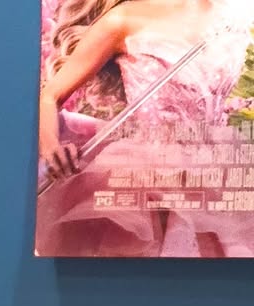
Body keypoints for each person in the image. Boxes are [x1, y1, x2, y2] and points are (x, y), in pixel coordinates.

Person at [37, 0, 254, 256]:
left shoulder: (231, 14)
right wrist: (51, 146)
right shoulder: (121, 21)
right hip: (150, 175)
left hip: (219, 171)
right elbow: (49, 96)